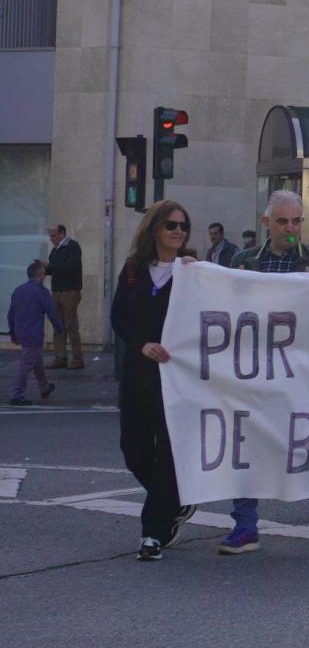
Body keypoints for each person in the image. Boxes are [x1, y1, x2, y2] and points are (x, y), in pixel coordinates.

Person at [223, 191, 309, 553]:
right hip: (255, 370)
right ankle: (245, 525)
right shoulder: (244, 261)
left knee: (304, 444)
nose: (290, 228)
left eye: (296, 221)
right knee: (246, 445)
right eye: (282, 221)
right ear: (266, 223)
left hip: (301, 372)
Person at [112, 201, 201, 561]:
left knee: (167, 452)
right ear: (154, 229)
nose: (178, 231)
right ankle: (177, 500)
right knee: (134, 449)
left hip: (177, 375)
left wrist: (203, 275)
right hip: (139, 372)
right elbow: (119, 316)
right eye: (171, 225)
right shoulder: (134, 269)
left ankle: (153, 533)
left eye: (183, 226)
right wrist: (141, 344)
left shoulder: (191, 270)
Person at [7, 260, 60, 406]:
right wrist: (59, 328)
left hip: (21, 332)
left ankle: (44, 387)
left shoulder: (19, 290)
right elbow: (52, 313)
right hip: (34, 333)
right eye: (44, 274)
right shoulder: (42, 292)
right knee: (27, 363)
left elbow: (10, 314)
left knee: (36, 359)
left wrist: (13, 333)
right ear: (41, 275)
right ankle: (17, 394)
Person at [45, 223, 83, 370]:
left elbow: (71, 267)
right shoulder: (54, 250)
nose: (51, 238)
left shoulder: (72, 246)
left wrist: (50, 266)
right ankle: (60, 357)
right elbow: (54, 270)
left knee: (71, 325)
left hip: (70, 290)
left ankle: (77, 358)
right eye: (50, 236)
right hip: (57, 290)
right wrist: (44, 268)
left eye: (54, 235)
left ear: (62, 234)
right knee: (58, 325)